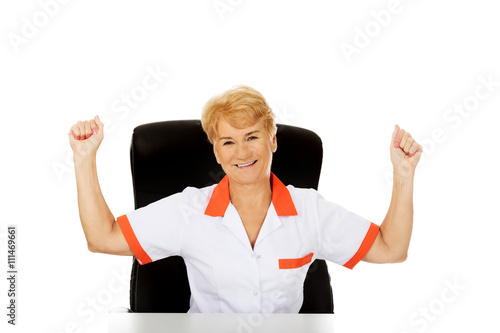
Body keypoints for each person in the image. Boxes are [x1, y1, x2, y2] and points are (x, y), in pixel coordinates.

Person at [68, 85, 422, 313]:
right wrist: (85, 161)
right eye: (228, 142)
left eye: (252, 136)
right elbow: (102, 237)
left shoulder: (310, 211)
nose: (242, 152)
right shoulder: (188, 211)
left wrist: (403, 176)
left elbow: (392, 249)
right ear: (217, 153)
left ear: (273, 140)